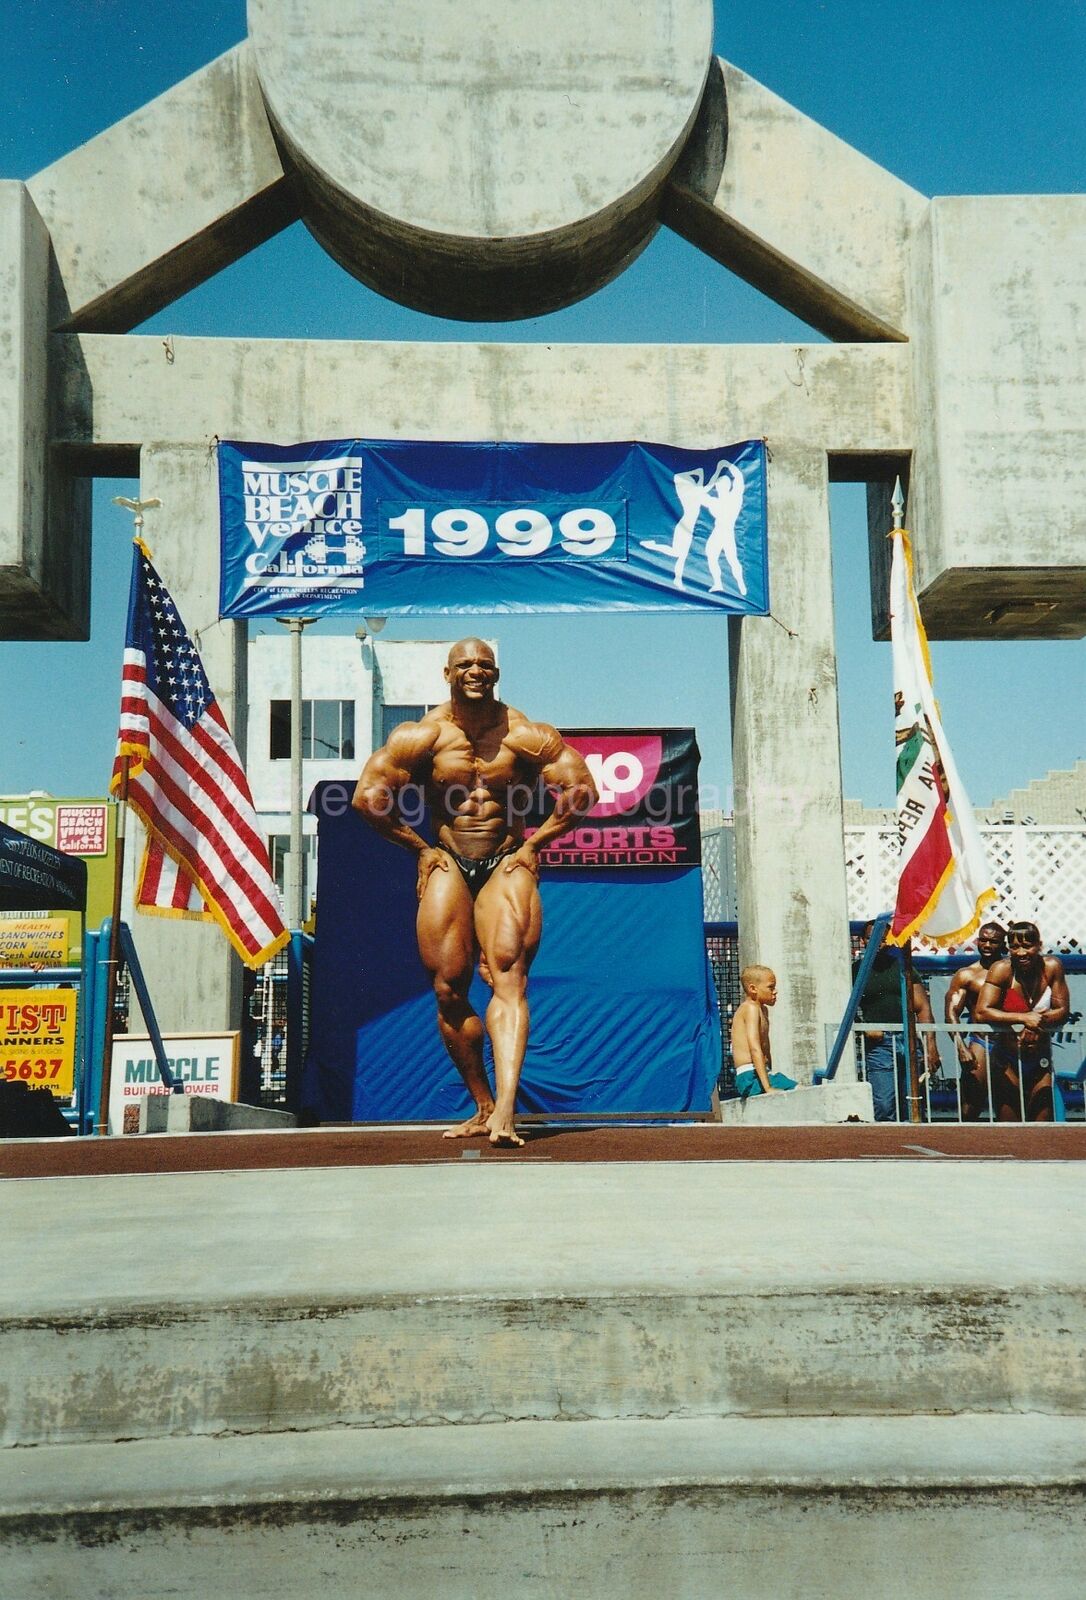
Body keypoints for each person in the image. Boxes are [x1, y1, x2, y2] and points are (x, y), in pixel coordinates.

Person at [352, 638, 597, 1147]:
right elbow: (369, 798)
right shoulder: (422, 736)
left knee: (509, 975)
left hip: (508, 858)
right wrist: (419, 848)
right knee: (448, 987)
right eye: (464, 664)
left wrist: (536, 843)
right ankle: (482, 1103)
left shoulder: (525, 735)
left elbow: (581, 791)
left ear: (497, 672)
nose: (475, 671)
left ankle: (507, 1109)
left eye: (484, 665)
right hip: (448, 858)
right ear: (448, 673)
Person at [975, 921, 1069, 1122]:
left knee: (1042, 1124)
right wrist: (1023, 1018)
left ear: (1039, 946)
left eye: (1027, 946)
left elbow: (1063, 1010)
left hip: (1039, 1057)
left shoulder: (1052, 967)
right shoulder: (1001, 969)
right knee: (1010, 1127)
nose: (1021, 953)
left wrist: (1038, 1020)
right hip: (1007, 1057)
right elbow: (982, 1012)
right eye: (1015, 947)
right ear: (1008, 948)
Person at [853, 921, 939, 1121]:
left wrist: (930, 1046)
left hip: (909, 1040)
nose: (879, 944)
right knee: (884, 1103)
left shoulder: (904, 968)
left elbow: (923, 1008)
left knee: (914, 1101)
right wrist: (864, 1028)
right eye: (872, 939)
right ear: (863, 941)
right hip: (879, 1044)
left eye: (884, 939)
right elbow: (843, 1006)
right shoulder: (855, 971)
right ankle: (887, 1145)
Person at [944, 922, 1007, 1119]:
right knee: (970, 1106)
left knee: (1009, 1106)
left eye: (994, 941)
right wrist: (961, 1047)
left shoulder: (1014, 972)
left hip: (1011, 1044)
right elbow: (951, 1013)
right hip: (982, 1042)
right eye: (984, 940)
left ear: (1003, 945)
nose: (987, 945)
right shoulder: (967, 975)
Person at [729, 965, 796, 1098]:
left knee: (795, 1088)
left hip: (762, 1074)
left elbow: (766, 1047)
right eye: (771, 987)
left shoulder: (763, 1010)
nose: (775, 991)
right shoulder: (750, 1009)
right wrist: (768, 1088)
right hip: (749, 1077)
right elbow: (755, 1048)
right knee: (798, 1090)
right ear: (753, 988)